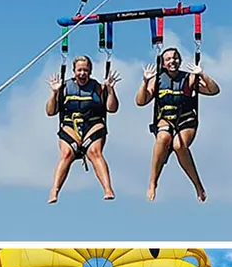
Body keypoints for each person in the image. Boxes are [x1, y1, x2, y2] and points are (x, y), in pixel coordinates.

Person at [135, 47, 220, 202]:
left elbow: (214, 90)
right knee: (163, 138)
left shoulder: (189, 79)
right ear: (163, 63)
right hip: (165, 119)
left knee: (179, 146)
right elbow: (140, 101)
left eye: (175, 58)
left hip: (186, 119)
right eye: (168, 59)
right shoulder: (158, 80)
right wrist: (145, 82)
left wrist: (202, 74)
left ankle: (198, 186)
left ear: (179, 60)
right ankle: (153, 182)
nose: (172, 61)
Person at [45, 55, 120, 204]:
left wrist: (110, 91)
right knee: (66, 154)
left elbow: (112, 109)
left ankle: (107, 188)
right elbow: (50, 112)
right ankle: (54, 190)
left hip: (93, 125)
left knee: (94, 152)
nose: (82, 73)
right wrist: (54, 93)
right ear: (74, 71)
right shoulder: (65, 87)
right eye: (79, 70)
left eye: (85, 70)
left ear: (90, 71)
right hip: (70, 127)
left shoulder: (98, 87)